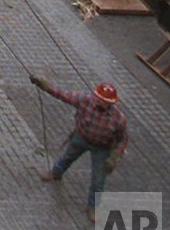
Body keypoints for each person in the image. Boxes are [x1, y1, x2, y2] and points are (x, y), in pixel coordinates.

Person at [32, 76, 128, 220]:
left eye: (103, 100)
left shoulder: (118, 118)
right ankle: (56, 173)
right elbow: (64, 95)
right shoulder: (85, 100)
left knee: (98, 179)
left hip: (102, 148)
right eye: (98, 98)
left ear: (110, 103)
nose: (99, 101)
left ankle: (92, 207)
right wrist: (45, 86)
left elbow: (123, 139)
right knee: (68, 156)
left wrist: (115, 156)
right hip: (81, 137)